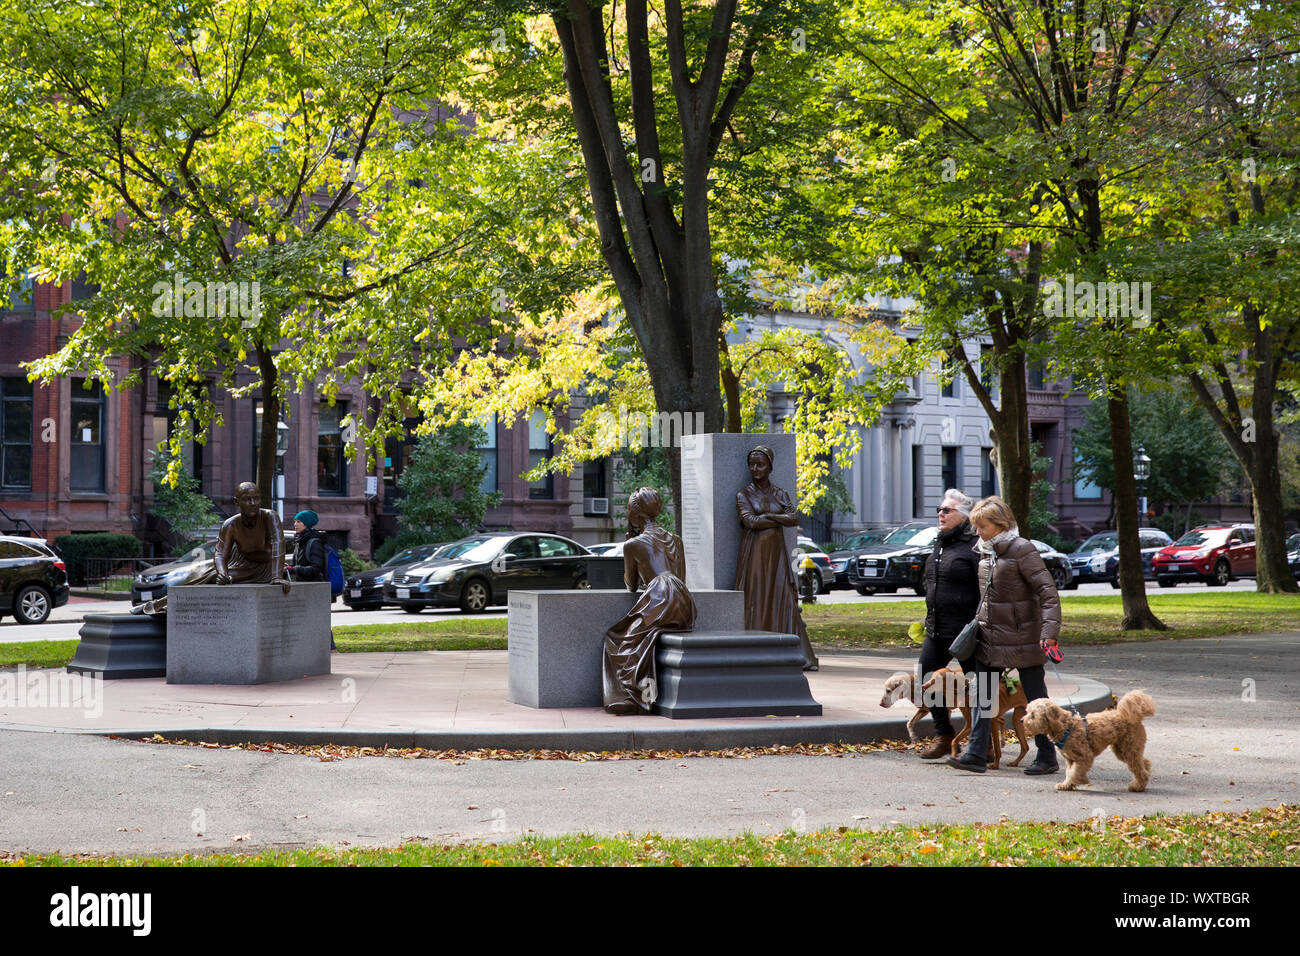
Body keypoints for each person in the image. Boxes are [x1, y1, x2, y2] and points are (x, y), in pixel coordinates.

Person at [946, 495, 1061, 775]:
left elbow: (1048, 594)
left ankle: (1047, 756)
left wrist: (1049, 633)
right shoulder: (986, 551)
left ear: (1000, 525)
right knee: (982, 694)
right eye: (977, 526)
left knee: (1035, 699)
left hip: (1025, 638)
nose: (978, 532)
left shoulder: (1023, 550)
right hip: (990, 636)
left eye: (983, 526)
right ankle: (975, 754)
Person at [602, 488, 697, 715]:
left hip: (659, 597)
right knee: (646, 638)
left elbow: (631, 585)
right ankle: (644, 694)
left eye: (628, 511)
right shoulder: (676, 540)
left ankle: (636, 697)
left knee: (617, 640)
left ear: (636, 514)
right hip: (683, 601)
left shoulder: (633, 544)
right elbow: (681, 578)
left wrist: (629, 544)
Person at [734, 445, 818, 670]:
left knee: (781, 596)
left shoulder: (779, 493)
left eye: (760, 464)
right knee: (758, 596)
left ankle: (787, 650)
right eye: (752, 464)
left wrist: (768, 515)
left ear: (770, 466)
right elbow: (750, 521)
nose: (755, 468)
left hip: (777, 554)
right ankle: (755, 650)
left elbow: (793, 518)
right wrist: (778, 517)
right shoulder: (743, 494)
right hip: (754, 554)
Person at [916, 489, 981, 759]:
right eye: (939, 510)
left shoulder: (975, 546)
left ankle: (983, 745)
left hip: (967, 631)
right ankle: (944, 736)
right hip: (937, 628)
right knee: (926, 677)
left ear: (964, 516)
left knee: (981, 686)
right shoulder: (939, 543)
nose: (940, 514)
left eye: (947, 510)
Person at [286, 510, 328, 583]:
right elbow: (298, 564)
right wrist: (287, 568)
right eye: (295, 521)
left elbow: (316, 569)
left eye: (298, 522)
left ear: (306, 524)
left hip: (314, 588)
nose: (295, 524)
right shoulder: (300, 541)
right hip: (302, 585)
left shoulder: (315, 542)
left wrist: (294, 569)